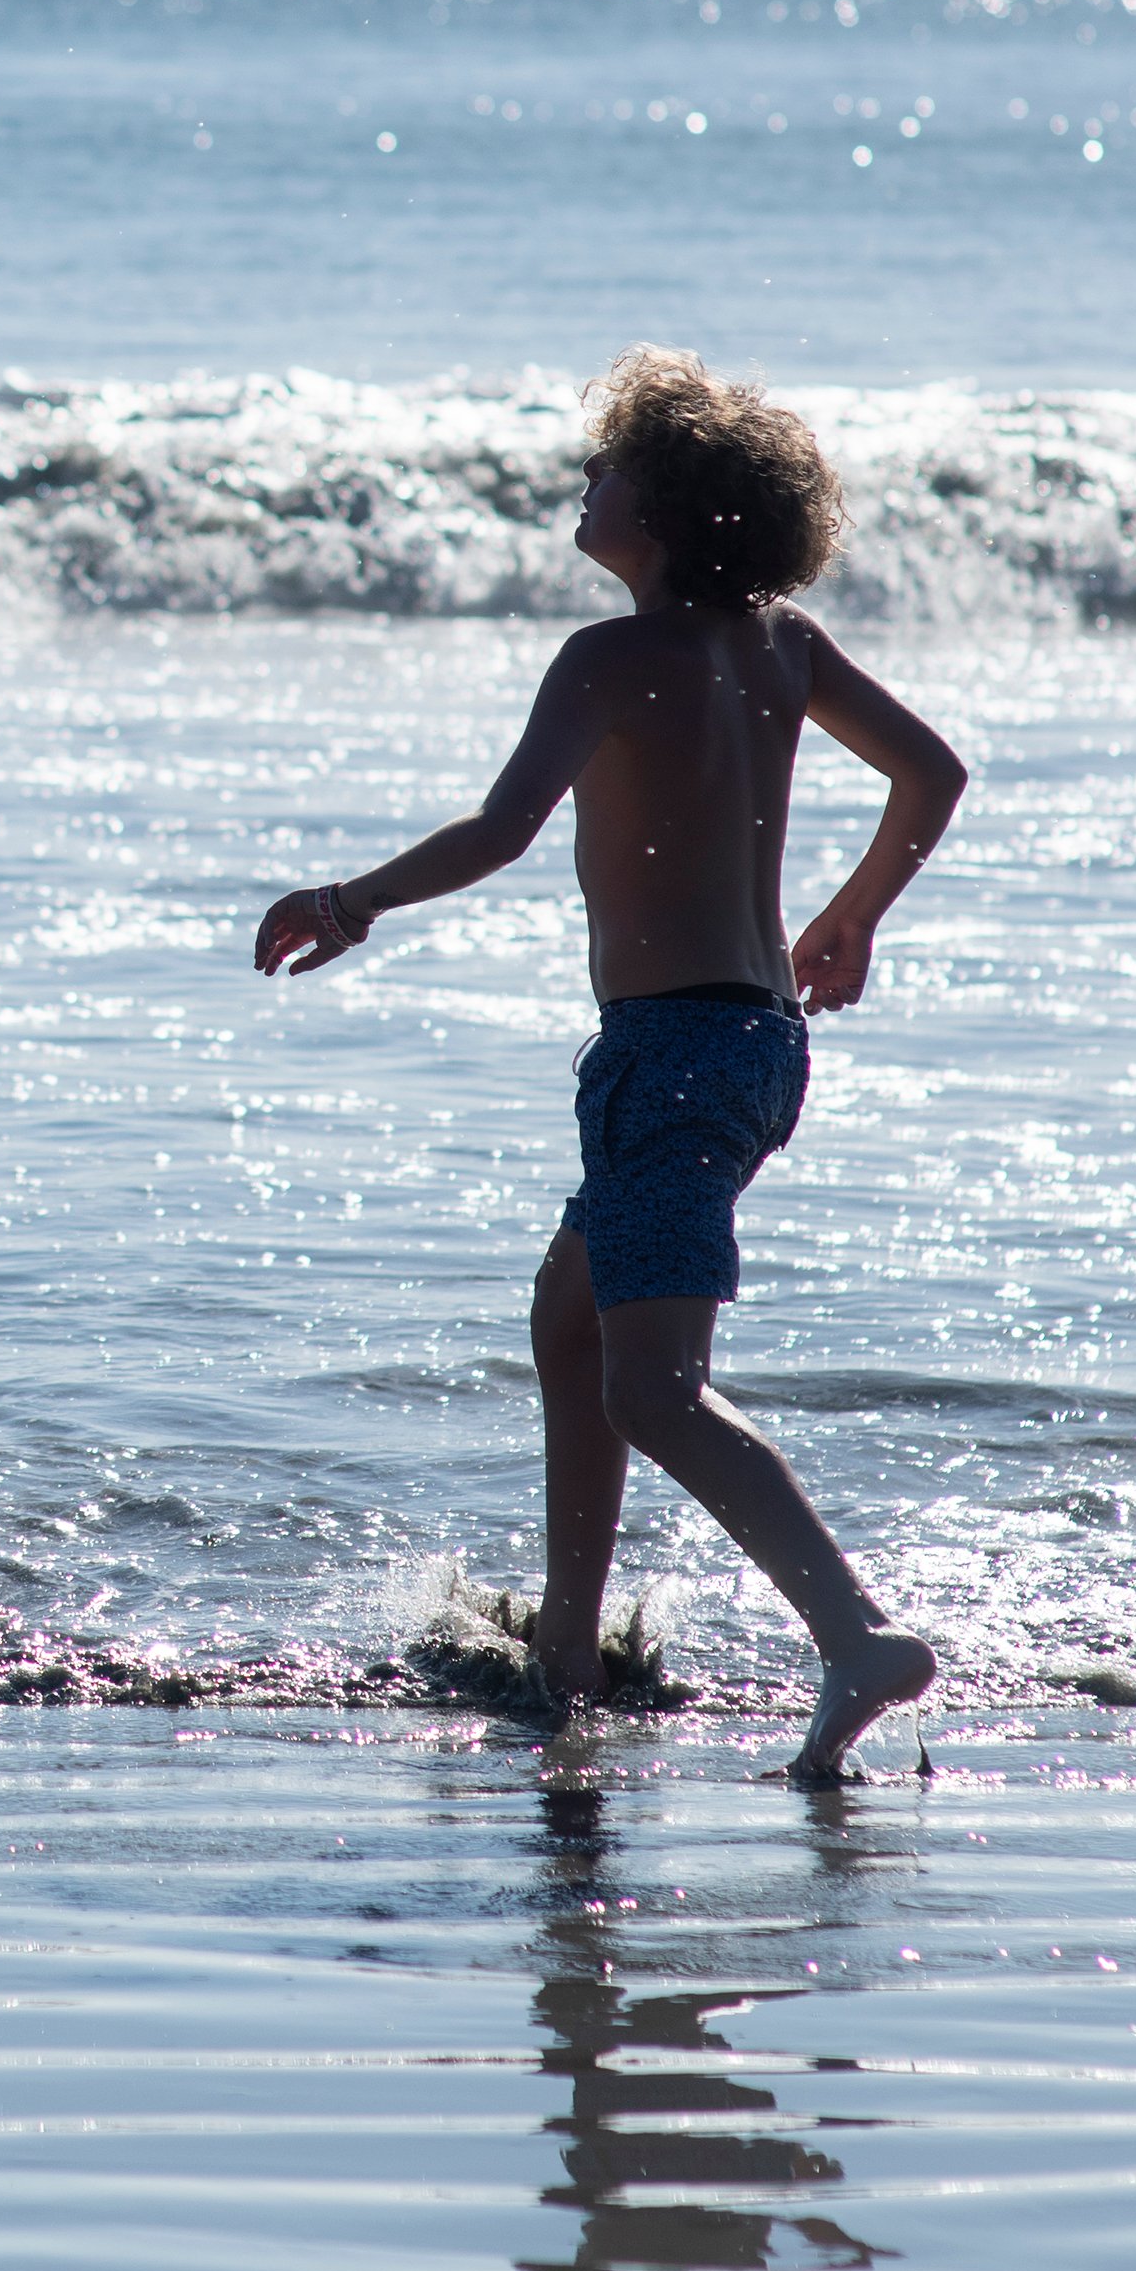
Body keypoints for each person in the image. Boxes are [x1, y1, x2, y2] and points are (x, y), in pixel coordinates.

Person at [252, 349, 964, 1784]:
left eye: (611, 464)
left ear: (673, 509)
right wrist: (853, 918)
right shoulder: (783, 645)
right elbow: (930, 773)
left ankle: (854, 1635)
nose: (586, 479)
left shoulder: (608, 658)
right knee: (570, 1320)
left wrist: (348, 901)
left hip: (669, 1056)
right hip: (753, 1046)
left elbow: (500, 830)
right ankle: (568, 1651)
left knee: (653, 1387)